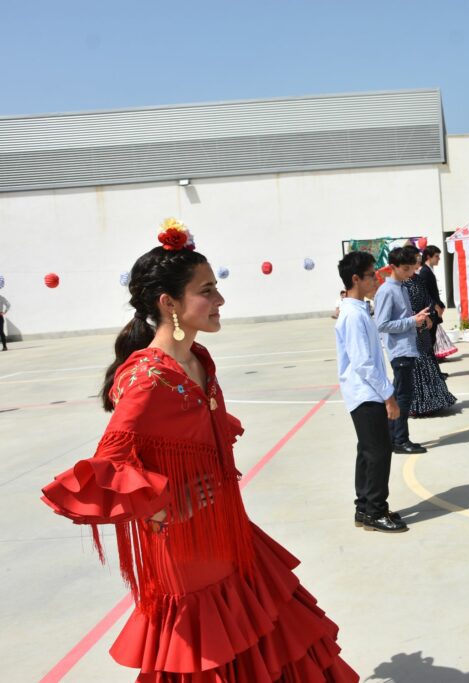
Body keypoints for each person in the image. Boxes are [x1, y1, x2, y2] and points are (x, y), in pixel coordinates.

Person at [41, 221, 360, 681]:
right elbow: (109, 465)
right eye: (206, 290)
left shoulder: (198, 360)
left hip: (231, 534)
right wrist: (160, 511)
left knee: (274, 640)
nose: (220, 300)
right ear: (167, 303)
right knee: (215, 658)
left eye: (216, 287)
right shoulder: (147, 378)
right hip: (188, 558)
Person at [336, 250, 409, 534]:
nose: (376, 279)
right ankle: (375, 511)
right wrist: (389, 396)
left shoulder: (356, 309)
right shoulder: (353, 316)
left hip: (365, 392)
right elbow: (364, 363)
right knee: (378, 452)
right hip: (367, 393)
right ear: (356, 279)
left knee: (368, 452)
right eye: (370, 275)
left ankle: (365, 506)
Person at [374, 247, 431, 455]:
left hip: (407, 347)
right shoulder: (387, 290)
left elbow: (401, 318)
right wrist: (411, 321)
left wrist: (416, 319)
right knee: (403, 397)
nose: (410, 273)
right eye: (405, 269)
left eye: (411, 268)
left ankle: (393, 438)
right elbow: (382, 324)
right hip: (399, 350)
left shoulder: (402, 287)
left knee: (401, 396)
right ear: (393, 267)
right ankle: (400, 439)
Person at [405, 247, 457, 415]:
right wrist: (416, 317)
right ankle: (417, 404)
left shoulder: (419, 279)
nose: (418, 261)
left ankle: (434, 401)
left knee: (428, 360)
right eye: (415, 259)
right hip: (411, 329)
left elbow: (428, 299)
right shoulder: (402, 283)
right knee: (417, 365)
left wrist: (429, 314)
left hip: (424, 327)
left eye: (418, 258)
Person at [419, 245, 446, 349]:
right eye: (436, 256)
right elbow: (424, 293)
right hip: (430, 310)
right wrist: (435, 306)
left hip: (433, 309)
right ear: (428, 257)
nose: (439, 258)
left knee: (432, 338)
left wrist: (441, 305)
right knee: (429, 338)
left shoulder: (428, 270)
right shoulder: (425, 272)